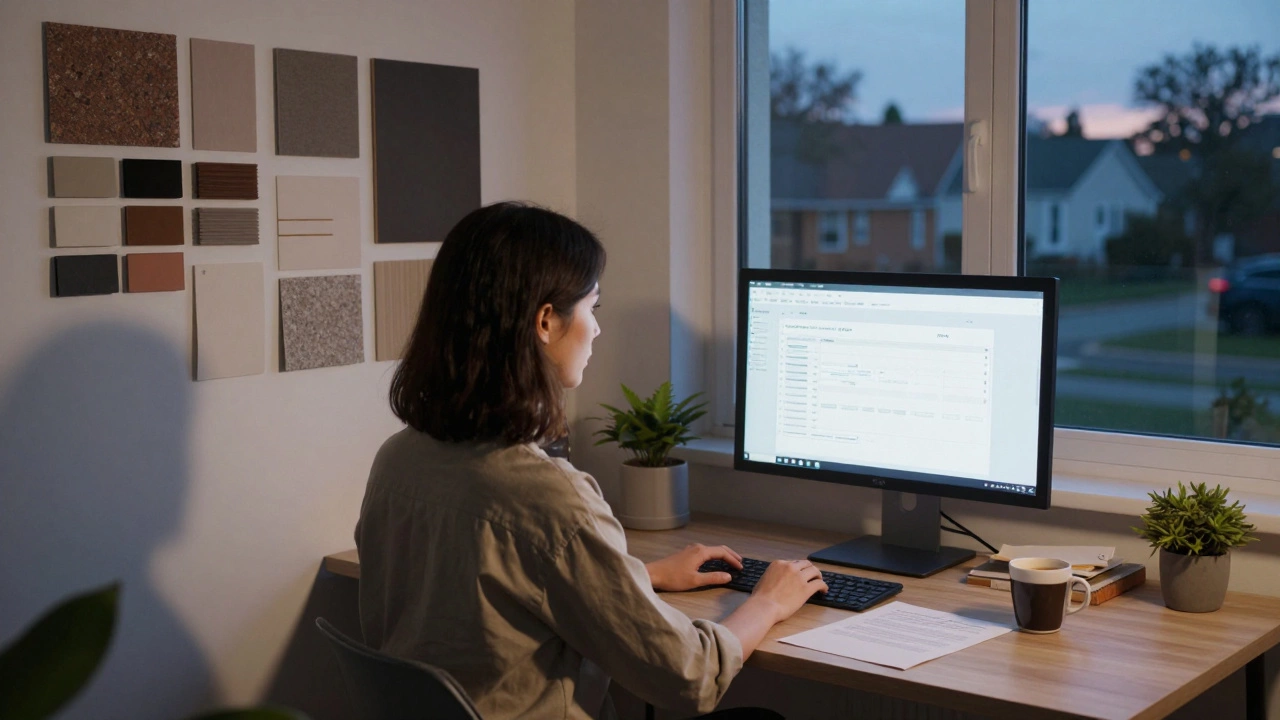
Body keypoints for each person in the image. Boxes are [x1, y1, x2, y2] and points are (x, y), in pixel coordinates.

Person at [355, 201, 828, 720]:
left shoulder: (397, 461)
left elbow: (492, 601)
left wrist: (634, 578)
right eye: (592, 308)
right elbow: (689, 676)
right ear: (545, 321)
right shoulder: (552, 497)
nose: (597, 330)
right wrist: (769, 602)